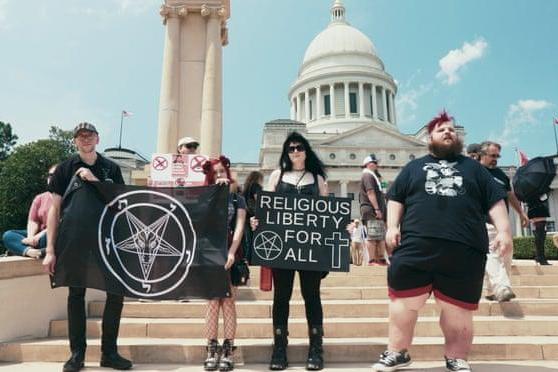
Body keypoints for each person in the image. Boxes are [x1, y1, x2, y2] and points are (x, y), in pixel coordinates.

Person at [372, 111, 512, 372]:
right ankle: (397, 352)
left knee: (458, 311)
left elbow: (495, 199)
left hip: (464, 248)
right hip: (415, 246)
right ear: (429, 138)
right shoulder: (413, 167)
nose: (447, 132)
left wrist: (504, 231)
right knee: (402, 305)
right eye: (441, 130)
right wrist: (391, 227)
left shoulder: (475, 169)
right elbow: (396, 198)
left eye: (451, 129)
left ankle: (457, 357)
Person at [42, 122, 132, 372]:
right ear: (75, 141)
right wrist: (50, 249)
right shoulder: (64, 168)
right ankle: (76, 355)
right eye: (81, 136)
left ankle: (109, 353)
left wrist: (94, 180)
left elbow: (119, 202)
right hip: (74, 239)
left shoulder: (110, 167)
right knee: (76, 295)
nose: (85, 139)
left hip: (107, 240)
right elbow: (54, 209)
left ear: (98, 138)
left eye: (89, 135)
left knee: (116, 293)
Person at [251, 131, 328, 371]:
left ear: (306, 150)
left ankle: (316, 347)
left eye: (299, 147)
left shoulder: (317, 179)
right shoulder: (278, 175)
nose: (295, 152)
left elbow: (327, 212)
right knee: (281, 296)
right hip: (283, 248)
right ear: (286, 152)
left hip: (310, 248)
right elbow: (267, 209)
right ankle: (279, 346)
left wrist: (342, 225)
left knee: (312, 296)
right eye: (291, 148)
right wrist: (258, 222)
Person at [202, 155, 246, 371]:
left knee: (228, 301)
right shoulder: (204, 197)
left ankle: (228, 349)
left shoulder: (237, 198)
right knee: (212, 302)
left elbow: (239, 227)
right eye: (215, 173)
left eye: (222, 172)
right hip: (209, 252)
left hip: (229, 251)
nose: (220, 176)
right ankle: (211, 348)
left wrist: (232, 251)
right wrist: (215, 196)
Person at [478, 141, 529, 301]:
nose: (496, 159)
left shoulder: (500, 174)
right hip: (484, 221)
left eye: (497, 156)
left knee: (506, 254)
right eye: (492, 156)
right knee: (493, 252)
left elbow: (510, 194)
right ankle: (502, 287)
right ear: (482, 155)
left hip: (503, 223)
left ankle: (492, 291)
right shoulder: (475, 172)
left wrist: (521, 212)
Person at [2, 165, 56, 258]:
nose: (51, 178)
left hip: (50, 235)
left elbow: (59, 223)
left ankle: (20, 249)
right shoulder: (40, 198)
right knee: (8, 235)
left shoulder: (69, 198)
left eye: (56, 175)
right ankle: (31, 252)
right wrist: (31, 237)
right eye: (50, 175)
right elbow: (33, 221)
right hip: (38, 237)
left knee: (51, 236)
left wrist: (38, 237)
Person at [359, 154, 388, 266]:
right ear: (369, 164)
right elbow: (370, 192)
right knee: (373, 235)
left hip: (373, 208)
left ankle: (380, 259)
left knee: (379, 235)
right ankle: (372, 260)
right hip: (371, 208)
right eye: (375, 162)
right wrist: (377, 209)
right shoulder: (367, 175)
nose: (377, 165)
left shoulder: (371, 175)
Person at [242, 171, 264, 263]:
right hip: (254, 217)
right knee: (254, 240)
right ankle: (251, 260)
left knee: (248, 240)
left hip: (245, 216)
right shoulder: (255, 186)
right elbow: (259, 200)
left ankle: (246, 260)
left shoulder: (246, 187)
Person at [527, 195, 551, 265]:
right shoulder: (538, 189)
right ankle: (541, 258)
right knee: (540, 235)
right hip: (538, 211)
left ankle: (539, 256)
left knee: (539, 235)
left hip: (534, 211)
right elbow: (543, 198)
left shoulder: (529, 191)